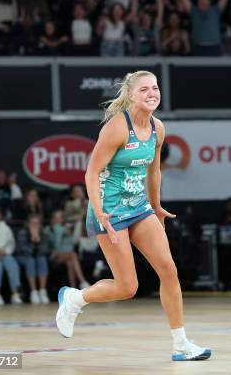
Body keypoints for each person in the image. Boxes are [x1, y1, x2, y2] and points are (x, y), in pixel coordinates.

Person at [55, 71, 211, 361]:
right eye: (144, 89)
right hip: (109, 212)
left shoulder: (158, 128)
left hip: (140, 208)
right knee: (127, 287)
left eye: (155, 87)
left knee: (169, 270)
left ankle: (181, 344)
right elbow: (91, 173)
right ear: (130, 95)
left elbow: (153, 171)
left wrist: (156, 205)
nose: (152, 93)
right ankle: (75, 299)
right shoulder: (116, 129)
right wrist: (99, 212)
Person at [16, 214, 53, 304]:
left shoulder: (43, 233)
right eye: (33, 223)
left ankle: (42, 290)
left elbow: (45, 250)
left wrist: (38, 239)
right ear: (28, 224)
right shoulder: (22, 233)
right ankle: (34, 291)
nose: (35, 226)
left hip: (38, 257)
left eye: (37, 223)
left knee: (42, 259)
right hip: (23, 257)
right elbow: (24, 250)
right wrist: (33, 240)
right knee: (30, 260)